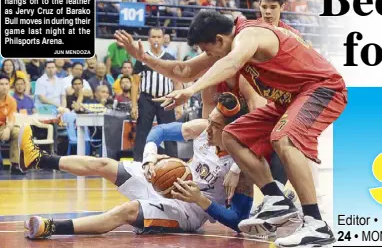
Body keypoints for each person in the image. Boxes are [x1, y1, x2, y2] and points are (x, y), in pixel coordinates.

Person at [114, 9, 346, 246]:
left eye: (207, 50)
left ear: (220, 40)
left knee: (283, 138)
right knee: (232, 135)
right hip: (289, 99)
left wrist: (191, 90)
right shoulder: (227, 43)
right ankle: (276, 199)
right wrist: (144, 58)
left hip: (323, 88)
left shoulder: (250, 34)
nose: (206, 55)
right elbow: (183, 71)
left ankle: (316, 224)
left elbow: (231, 62)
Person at [21, 93, 262, 238]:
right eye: (209, 122)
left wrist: (200, 199)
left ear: (232, 130)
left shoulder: (240, 168)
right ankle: (38, 158)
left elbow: (238, 222)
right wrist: (149, 158)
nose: (208, 129)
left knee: (125, 211)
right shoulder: (202, 130)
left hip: (187, 212)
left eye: (216, 126)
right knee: (105, 164)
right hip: (164, 183)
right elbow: (158, 131)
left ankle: (50, 227)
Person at [131, 27, 182, 162]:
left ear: (163, 39)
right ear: (148, 39)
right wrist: (134, 105)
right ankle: (137, 163)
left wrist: (178, 105)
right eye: (153, 37)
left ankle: (174, 163)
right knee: (142, 132)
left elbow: (177, 82)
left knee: (170, 132)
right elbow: (135, 83)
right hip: (146, 98)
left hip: (166, 98)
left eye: (159, 37)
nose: (156, 40)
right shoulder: (142, 58)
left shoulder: (170, 58)